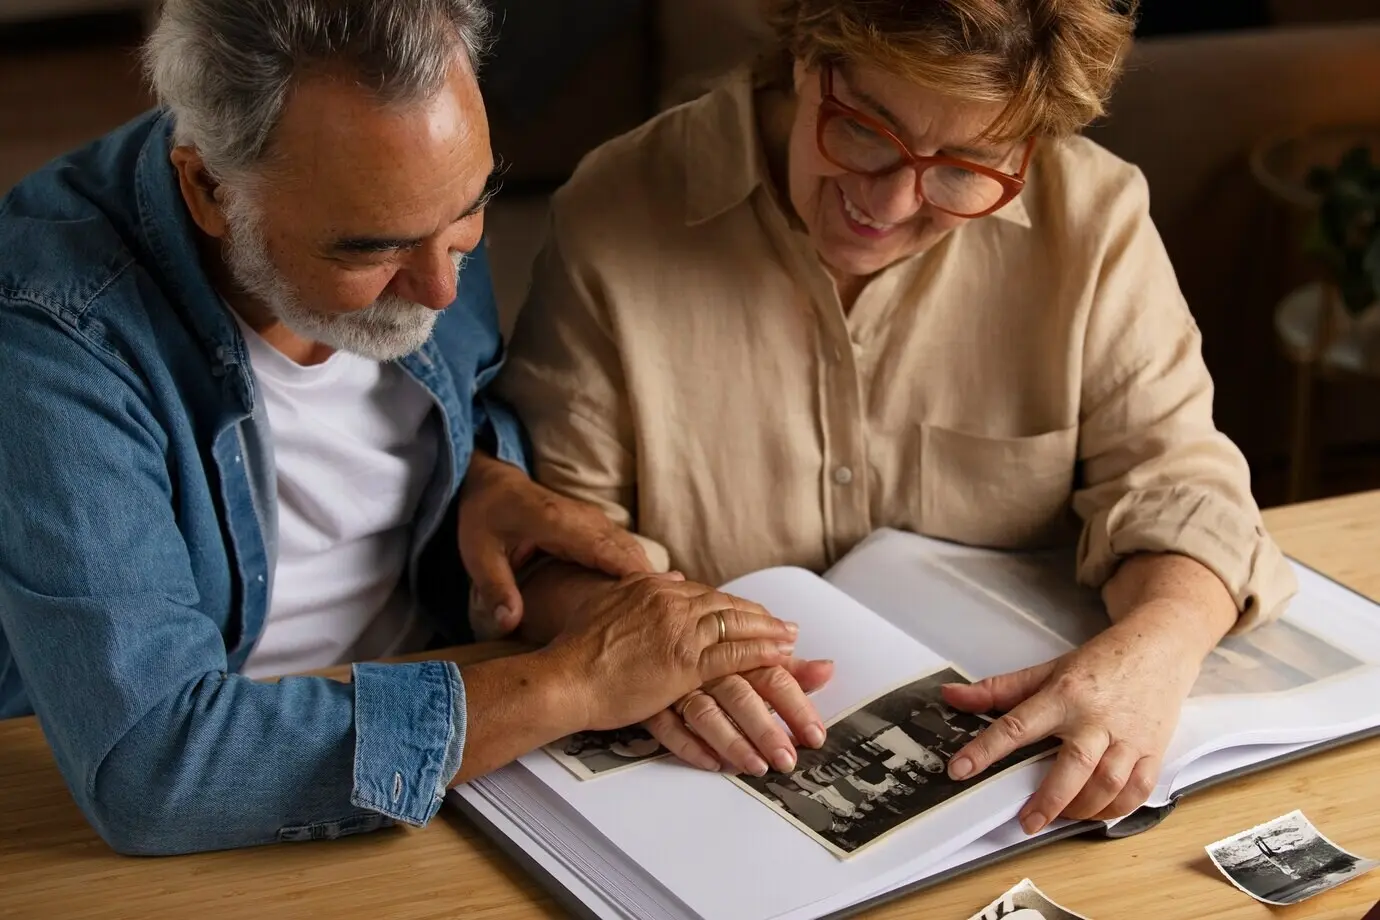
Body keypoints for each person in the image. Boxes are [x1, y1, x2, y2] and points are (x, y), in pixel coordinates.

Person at [0, 0, 800, 855]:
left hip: (458, 759)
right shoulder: (52, 333)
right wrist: (574, 684)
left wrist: (491, 490)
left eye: (469, 213)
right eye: (370, 251)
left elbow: (433, 478)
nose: (442, 291)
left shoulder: (416, 202)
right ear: (208, 191)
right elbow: (157, 768)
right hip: (206, 831)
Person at [495, 0, 1299, 836]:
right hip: (713, 792)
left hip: (1014, 807)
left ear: (1027, 145)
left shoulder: (1092, 219)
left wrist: (1161, 647)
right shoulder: (614, 210)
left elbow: (1180, 485)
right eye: (866, 131)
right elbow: (553, 544)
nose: (889, 200)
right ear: (808, 56)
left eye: (965, 168)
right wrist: (634, 636)